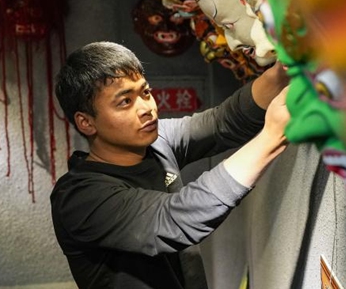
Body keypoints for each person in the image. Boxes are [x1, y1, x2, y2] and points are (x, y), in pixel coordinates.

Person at [50, 41, 290, 288]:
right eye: (125, 102)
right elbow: (176, 218)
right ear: (86, 123)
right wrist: (271, 137)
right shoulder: (78, 198)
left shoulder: (156, 142)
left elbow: (224, 122)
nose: (147, 108)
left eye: (145, 92)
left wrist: (284, 72)